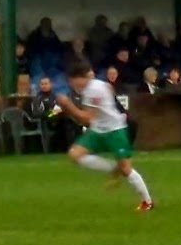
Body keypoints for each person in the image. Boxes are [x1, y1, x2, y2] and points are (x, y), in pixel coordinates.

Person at [55, 60, 154, 212]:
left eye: (72, 79)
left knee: (126, 168)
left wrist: (67, 105)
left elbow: (86, 118)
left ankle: (147, 201)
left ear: (79, 77)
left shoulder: (92, 90)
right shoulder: (92, 86)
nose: (71, 83)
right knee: (75, 154)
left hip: (115, 130)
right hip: (98, 130)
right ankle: (114, 168)